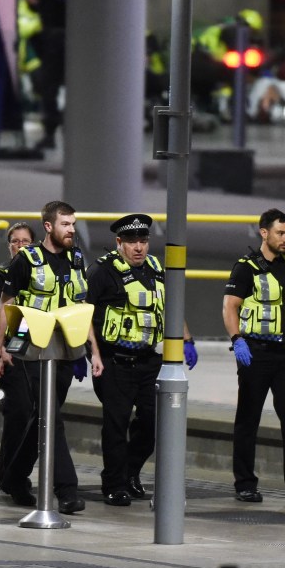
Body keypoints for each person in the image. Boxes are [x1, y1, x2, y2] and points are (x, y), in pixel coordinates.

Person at [0, 201, 104, 515]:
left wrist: (94, 351)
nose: (71, 230)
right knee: (52, 418)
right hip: (32, 349)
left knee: (43, 417)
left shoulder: (77, 258)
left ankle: (14, 477)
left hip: (65, 350)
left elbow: (82, 308)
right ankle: (66, 490)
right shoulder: (25, 261)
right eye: (66, 224)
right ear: (49, 226)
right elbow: (3, 312)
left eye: (73, 224)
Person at [86, 214, 198, 507]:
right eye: (132, 242)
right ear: (119, 242)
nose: (139, 247)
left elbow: (169, 306)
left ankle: (130, 472)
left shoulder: (156, 269)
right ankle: (114, 485)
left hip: (150, 361)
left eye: (144, 241)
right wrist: (91, 354)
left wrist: (186, 340)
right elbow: (83, 314)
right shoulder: (101, 271)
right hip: (114, 362)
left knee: (154, 422)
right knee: (115, 425)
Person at [222, 208, 285, 504]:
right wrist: (237, 340)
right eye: (281, 233)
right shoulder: (246, 267)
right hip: (256, 353)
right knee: (248, 419)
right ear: (264, 233)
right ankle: (244, 483)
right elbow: (230, 306)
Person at [0, 222, 37, 497]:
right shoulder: (2, 275)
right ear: (9, 245)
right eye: (16, 241)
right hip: (11, 355)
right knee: (20, 412)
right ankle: (10, 476)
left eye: (26, 241)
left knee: (32, 414)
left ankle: (12, 474)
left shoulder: (41, 276)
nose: (21, 245)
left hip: (35, 352)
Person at [28, 0, 69, 150]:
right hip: (78, 40)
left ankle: (50, 132)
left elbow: (32, 1)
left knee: (49, 86)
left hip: (52, 38)